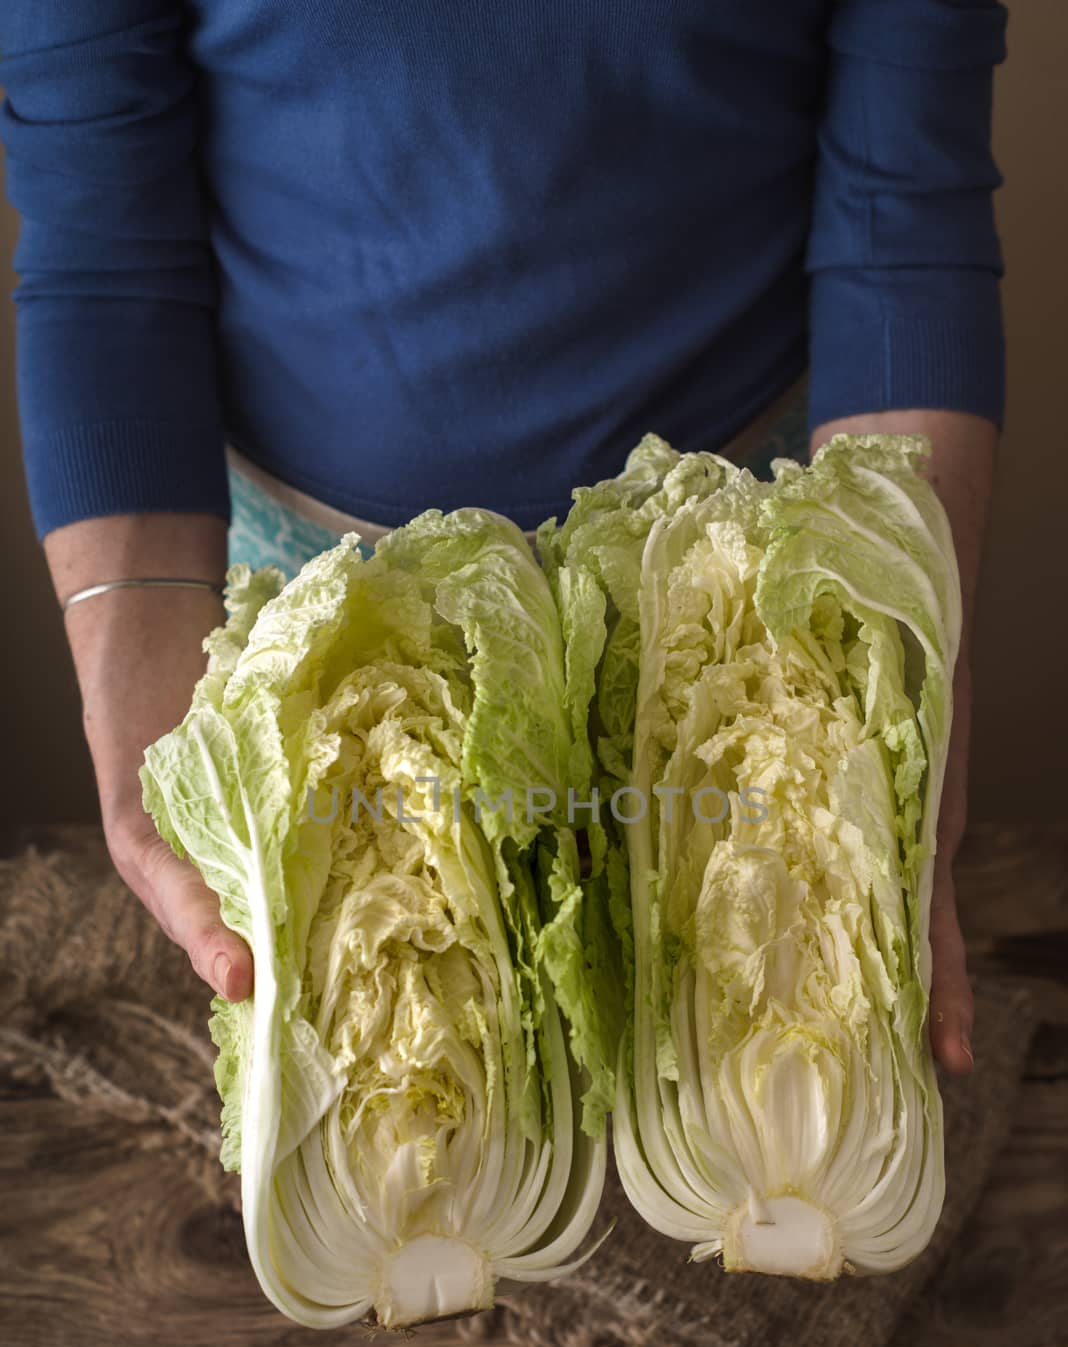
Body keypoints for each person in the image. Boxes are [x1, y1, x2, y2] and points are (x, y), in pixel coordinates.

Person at [2, 2, 1006, 1078]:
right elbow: (108, 245)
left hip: (730, 590)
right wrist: (140, 681)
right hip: (314, 604)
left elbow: (897, 215)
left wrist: (901, 652)